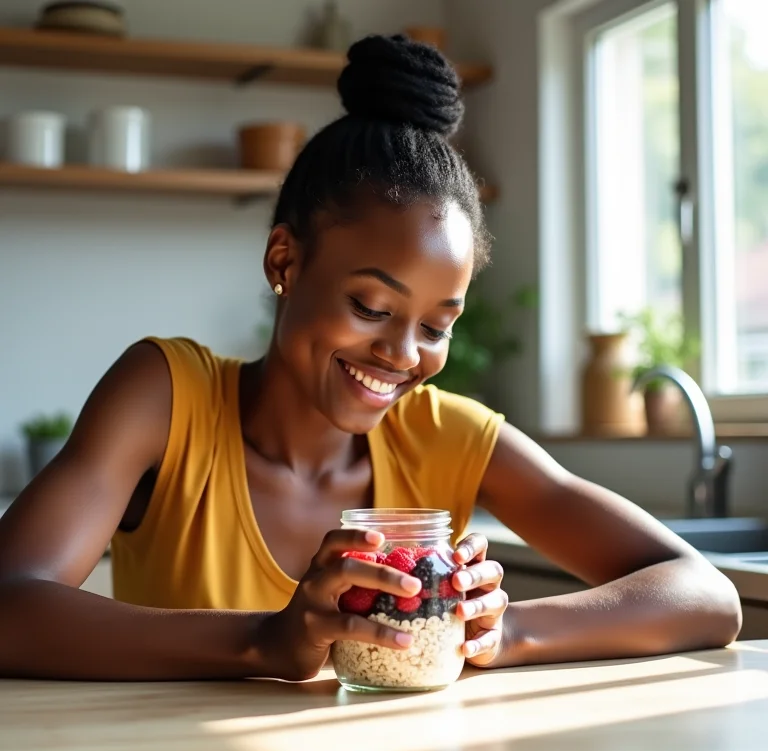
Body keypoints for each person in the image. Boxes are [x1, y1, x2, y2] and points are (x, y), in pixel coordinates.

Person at [0, 34, 740, 682]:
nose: (402, 354)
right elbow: (10, 603)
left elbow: (704, 595)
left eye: (436, 326)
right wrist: (263, 640)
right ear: (284, 260)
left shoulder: (447, 435)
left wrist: (501, 633)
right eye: (372, 308)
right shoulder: (166, 396)